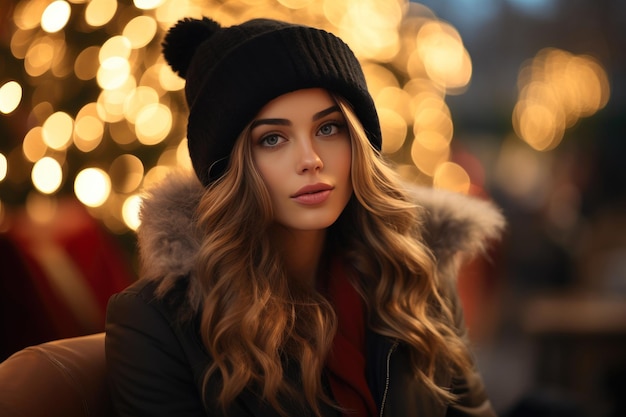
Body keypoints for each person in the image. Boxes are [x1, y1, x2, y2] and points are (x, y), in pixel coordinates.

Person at [105, 16, 505, 417]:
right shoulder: (157, 325)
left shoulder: (415, 273)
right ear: (228, 169)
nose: (311, 160)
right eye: (272, 139)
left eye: (328, 129)